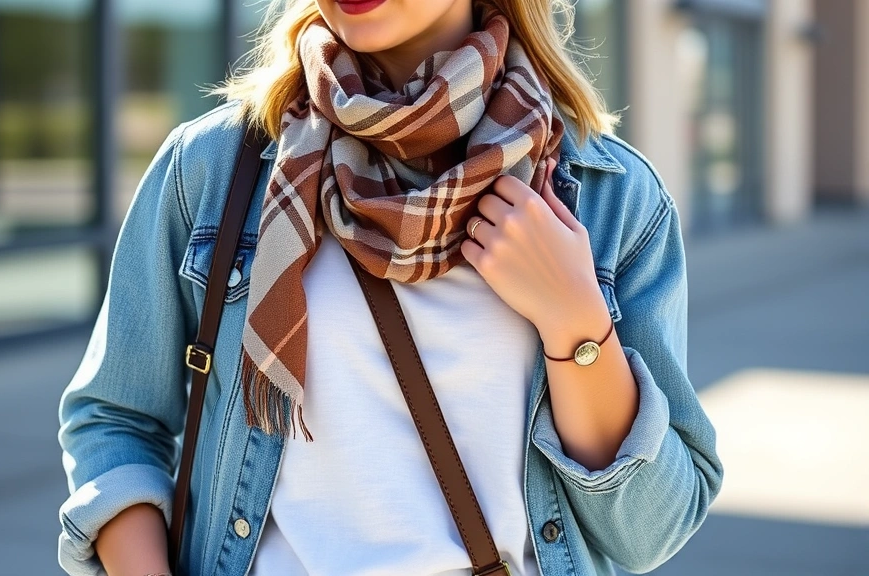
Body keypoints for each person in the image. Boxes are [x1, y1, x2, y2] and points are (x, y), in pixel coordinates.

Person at [56, 0, 723, 574]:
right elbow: (115, 422)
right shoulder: (212, 170)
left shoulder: (612, 199)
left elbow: (648, 532)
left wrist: (575, 319)